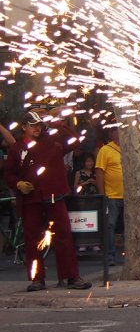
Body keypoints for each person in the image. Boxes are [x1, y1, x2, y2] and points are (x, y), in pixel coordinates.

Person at [4, 110, 92, 291]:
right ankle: (37, 278)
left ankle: (71, 276)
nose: (36, 128)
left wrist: (58, 124)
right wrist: (18, 183)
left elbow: (75, 141)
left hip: (54, 195)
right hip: (31, 199)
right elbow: (9, 174)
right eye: (32, 125)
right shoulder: (18, 148)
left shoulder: (52, 141)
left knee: (64, 235)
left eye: (38, 125)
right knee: (32, 238)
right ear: (24, 128)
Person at [96, 125, 124, 266]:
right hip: (112, 195)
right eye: (116, 131)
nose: (119, 133)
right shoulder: (105, 150)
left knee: (128, 226)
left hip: (128, 196)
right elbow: (99, 172)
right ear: (112, 133)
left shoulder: (129, 148)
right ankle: (110, 255)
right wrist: (102, 194)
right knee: (110, 225)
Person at [73, 153, 101, 254]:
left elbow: (100, 184)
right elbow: (75, 187)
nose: (90, 163)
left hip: (94, 199)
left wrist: (95, 183)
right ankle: (82, 244)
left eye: (91, 161)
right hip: (83, 199)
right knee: (83, 221)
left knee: (94, 221)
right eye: (88, 161)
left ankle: (95, 243)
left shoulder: (96, 172)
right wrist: (86, 183)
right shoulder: (79, 173)